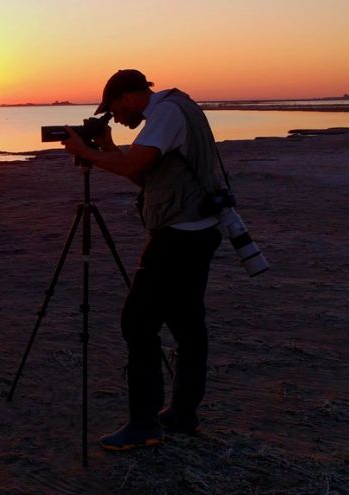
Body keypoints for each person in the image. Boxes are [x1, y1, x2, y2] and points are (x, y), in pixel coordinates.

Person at [61, 69, 225, 451]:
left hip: (178, 236)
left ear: (129, 97)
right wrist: (107, 149)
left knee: (137, 323)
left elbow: (136, 168)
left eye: (114, 110)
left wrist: (85, 152)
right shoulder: (178, 109)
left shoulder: (166, 114)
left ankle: (143, 425)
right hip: (198, 230)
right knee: (187, 323)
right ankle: (184, 413)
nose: (115, 117)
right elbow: (149, 179)